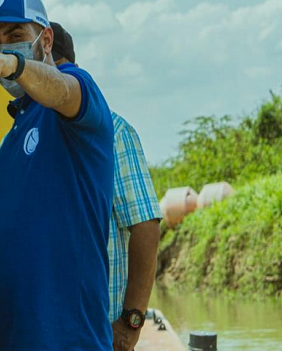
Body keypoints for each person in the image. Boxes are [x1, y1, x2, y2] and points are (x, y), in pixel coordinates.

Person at [0, 0, 114, 351]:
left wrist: (18, 66)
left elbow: (64, 90)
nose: (3, 49)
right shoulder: (16, 130)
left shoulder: (75, 99)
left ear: (46, 38)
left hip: (66, 339)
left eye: (16, 36)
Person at [51, 21, 162, 351]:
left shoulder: (114, 133)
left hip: (99, 334)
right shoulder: (26, 140)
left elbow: (146, 227)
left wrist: (131, 323)